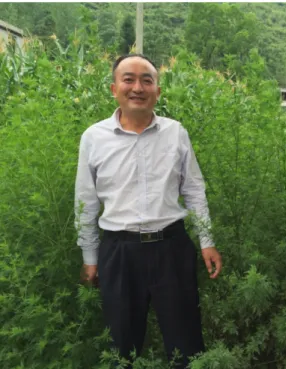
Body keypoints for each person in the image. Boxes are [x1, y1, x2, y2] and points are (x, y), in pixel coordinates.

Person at [74, 54, 222, 368]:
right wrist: (90, 258)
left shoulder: (175, 133)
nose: (137, 87)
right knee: (121, 347)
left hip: (172, 249)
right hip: (119, 252)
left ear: (158, 91)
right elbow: (85, 202)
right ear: (114, 88)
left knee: (186, 345)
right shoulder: (93, 138)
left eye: (147, 80)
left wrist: (206, 240)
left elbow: (194, 189)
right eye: (129, 79)